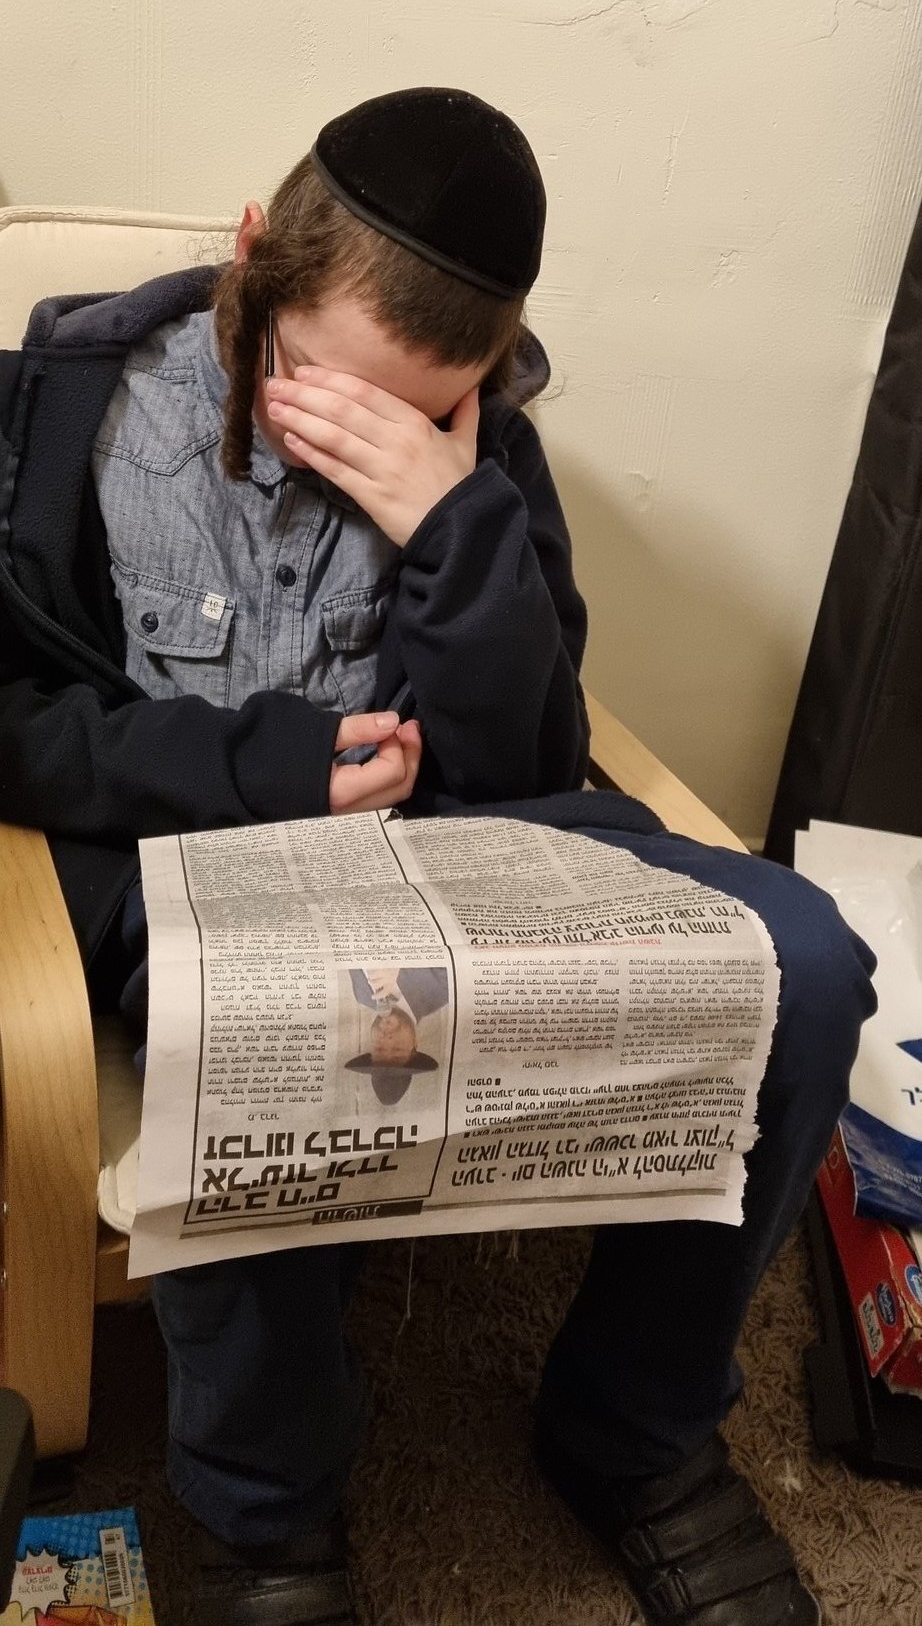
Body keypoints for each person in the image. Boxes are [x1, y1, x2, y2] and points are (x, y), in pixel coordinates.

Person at [0, 88, 874, 1626]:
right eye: (313, 384)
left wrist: (454, 519)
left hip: (460, 851)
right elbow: (15, 720)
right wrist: (259, 765)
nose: (344, 439)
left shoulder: (488, 453)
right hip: (177, 868)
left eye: (413, 415)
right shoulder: (59, 412)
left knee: (803, 967)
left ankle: (634, 1433)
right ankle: (269, 1521)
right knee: (269, 1012)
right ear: (252, 255)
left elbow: (527, 761)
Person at [345, 965, 449, 1105]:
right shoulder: (442, 989)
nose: (387, 1039)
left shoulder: (362, 995)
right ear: (415, 1043)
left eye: (380, 1049)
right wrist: (399, 967)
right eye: (397, 1049)